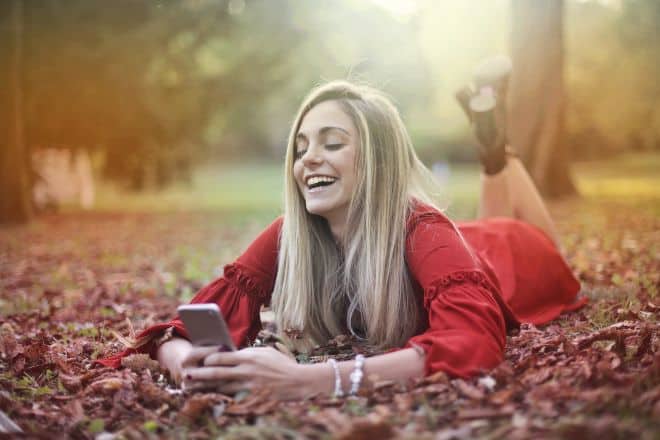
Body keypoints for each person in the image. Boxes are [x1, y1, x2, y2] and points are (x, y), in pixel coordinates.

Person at [98, 59, 586, 400]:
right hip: (462, 245)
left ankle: (495, 155)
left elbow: (473, 344)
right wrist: (187, 362)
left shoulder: (423, 229)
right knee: (482, 225)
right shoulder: (291, 232)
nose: (309, 157)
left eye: (332, 144)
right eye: (302, 146)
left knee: (530, 238)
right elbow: (186, 325)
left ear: (376, 161)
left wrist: (316, 380)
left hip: (512, 262)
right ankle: (492, 147)